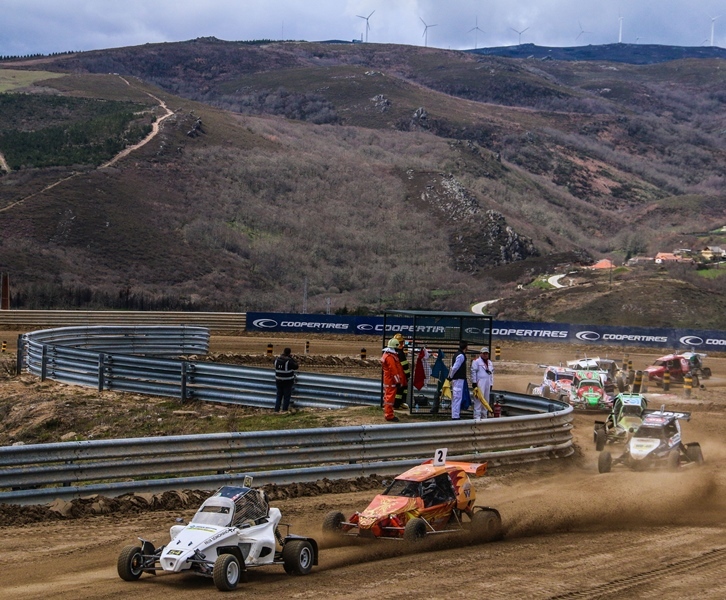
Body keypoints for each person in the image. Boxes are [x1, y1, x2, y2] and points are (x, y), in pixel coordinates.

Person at [381, 337, 406, 422]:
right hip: (391, 380)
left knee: (388, 398)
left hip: (389, 379)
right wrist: (398, 381)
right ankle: (389, 415)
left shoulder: (387, 355)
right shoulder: (390, 357)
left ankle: (389, 413)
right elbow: (394, 370)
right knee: (390, 399)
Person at [471, 347, 494, 420]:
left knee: (486, 400)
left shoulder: (490, 362)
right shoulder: (476, 361)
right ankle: (477, 418)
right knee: (478, 401)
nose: (485, 355)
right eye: (484, 353)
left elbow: (491, 374)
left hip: (487, 383)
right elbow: (473, 372)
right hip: (479, 383)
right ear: (480, 354)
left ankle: (484, 417)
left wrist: (491, 384)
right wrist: (474, 383)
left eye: (486, 353)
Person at [447, 341, 469, 420]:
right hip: (458, 379)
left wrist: (450, 376)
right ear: (466, 347)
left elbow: (452, 367)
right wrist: (450, 376)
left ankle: (455, 415)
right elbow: (455, 367)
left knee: (457, 397)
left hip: (457, 379)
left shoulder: (457, 354)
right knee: (457, 397)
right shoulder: (461, 356)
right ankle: (455, 416)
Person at [274, 347, 299, 414]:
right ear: (289, 353)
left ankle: (276, 409)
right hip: (287, 381)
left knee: (279, 395)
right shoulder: (289, 361)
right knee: (286, 396)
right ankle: (284, 410)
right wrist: (292, 358)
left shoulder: (277, 360)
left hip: (278, 380)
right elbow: (296, 366)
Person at [393, 333, 411, 410]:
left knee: (399, 390)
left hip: (395, 375)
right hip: (402, 375)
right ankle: (397, 404)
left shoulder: (392, 352)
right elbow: (405, 365)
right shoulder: (400, 353)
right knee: (401, 390)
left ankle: (399, 403)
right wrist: (408, 375)